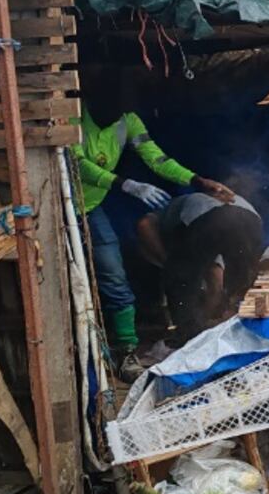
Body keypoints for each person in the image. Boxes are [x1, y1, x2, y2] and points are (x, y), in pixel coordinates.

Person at [73, 96, 234, 379]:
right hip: (57, 205)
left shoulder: (128, 121)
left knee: (113, 274)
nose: (118, 113)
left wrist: (197, 181)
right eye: (112, 105)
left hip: (91, 207)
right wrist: (125, 184)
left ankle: (126, 351)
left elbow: (157, 159)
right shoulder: (72, 115)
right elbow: (78, 164)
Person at [136, 193, 263, 345]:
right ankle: (248, 331)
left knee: (182, 283)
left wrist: (170, 266)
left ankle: (190, 341)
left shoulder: (160, 220)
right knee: (243, 280)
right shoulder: (184, 211)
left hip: (210, 218)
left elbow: (144, 225)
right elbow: (216, 276)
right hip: (252, 219)